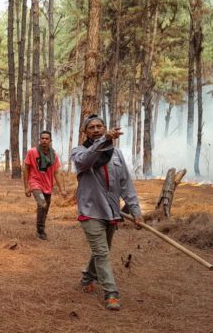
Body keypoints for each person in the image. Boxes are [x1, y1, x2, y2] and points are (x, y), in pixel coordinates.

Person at [71, 114, 144, 311]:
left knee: (102, 250)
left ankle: (87, 279)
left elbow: (126, 184)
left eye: (99, 126)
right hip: (90, 211)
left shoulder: (117, 155)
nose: (95, 130)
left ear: (104, 128)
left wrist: (135, 210)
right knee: (102, 253)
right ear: (85, 132)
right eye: (91, 127)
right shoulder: (79, 152)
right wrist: (105, 140)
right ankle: (111, 293)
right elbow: (86, 161)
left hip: (111, 211)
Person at [23, 130, 67, 240]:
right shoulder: (32, 152)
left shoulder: (54, 155)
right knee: (42, 204)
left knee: (45, 208)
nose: (44, 140)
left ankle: (41, 228)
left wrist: (62, 189)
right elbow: (26, 168)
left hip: (47, 185)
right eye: (42, 138)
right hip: (35, 183)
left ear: (50, 141)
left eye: (47, 139)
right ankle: (40, 230)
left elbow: (56, 172)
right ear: (39, 140)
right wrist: (26, 186)